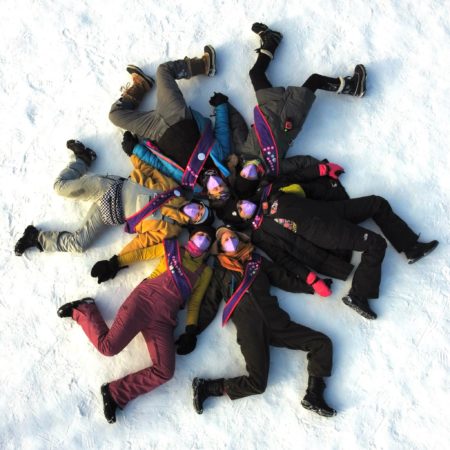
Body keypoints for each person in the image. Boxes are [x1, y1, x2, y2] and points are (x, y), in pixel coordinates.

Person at [57, 226, 215, 423]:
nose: (204, 238)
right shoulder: (172, 248)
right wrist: (114, 263)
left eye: (208, 238)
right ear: (192, 236)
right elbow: (142, 253)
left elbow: (195, 302)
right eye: (201, 233)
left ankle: (115, 393)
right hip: (143, 302)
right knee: (108, 348)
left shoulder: (205, 271)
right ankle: (83, 309)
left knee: (165, 371)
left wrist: (191, 330)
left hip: (164, 320)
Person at [206, 22, 367, 203]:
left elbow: (237, 126)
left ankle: (271, 41)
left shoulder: (242, 152)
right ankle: (353, 87)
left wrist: (225, 105)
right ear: (258, 179)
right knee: (314, 81)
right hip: (288, 119)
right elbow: (300, 163)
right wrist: (322, 167)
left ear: (240, 170)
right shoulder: (274, 168)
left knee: (256, 73)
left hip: (267, 107)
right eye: (252, 176)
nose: (250, 171)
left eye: (244, 173)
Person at [221, 186, 439, 320]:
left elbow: (304, 181)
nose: (244, 207)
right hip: (327, 233)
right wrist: (311, 279)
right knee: (375, 244)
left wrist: (325, 174)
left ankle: (411, 247)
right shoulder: (262, 234)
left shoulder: (274, 193)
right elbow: (284, 258)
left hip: (333, 210)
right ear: (243, 220)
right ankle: (359, 295)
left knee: (376, 203)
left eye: (241, 203)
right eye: (240, 211)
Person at [191, 227, 336, 417]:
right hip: (250, 331)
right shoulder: (220, 273)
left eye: (232, 237)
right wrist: (193, 330)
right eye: (225, 240)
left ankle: (314, 395)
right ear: (220, 247)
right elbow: (210, 304)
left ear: (240, 239)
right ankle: (208, 387)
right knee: (257, 384)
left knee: (322, 343)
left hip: (276, 323)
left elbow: (284, 279)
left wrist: (313, 286)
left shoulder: (258, 263)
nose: (230, 241)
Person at [14, 140, 213, 257]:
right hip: (109, 188)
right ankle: (82, 159)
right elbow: (149, 170)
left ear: (194, 223)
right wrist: (133, 151)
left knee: (79, 245)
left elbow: (142, 245)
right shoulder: (173, 190)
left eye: (199, 217)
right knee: (60, 187)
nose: (197, 212)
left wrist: (116, 262)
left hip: (109, 215)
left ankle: (37, 238)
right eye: (201, 208)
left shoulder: (171, 229)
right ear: (198, 203)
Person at [109, 47, 243, 196]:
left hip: (155, 132)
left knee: (115, 115)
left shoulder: (188, 183)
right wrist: (221, 106)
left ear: (210, 194)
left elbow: (161, 166)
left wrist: (135, 149)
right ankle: (205, 65)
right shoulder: (222, 159)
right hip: (177, 115)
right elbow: (222, 131)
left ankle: (142, 85)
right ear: (226, 181)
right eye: (222, 185)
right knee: (163, 71)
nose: (217, 185)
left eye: (216, 190)